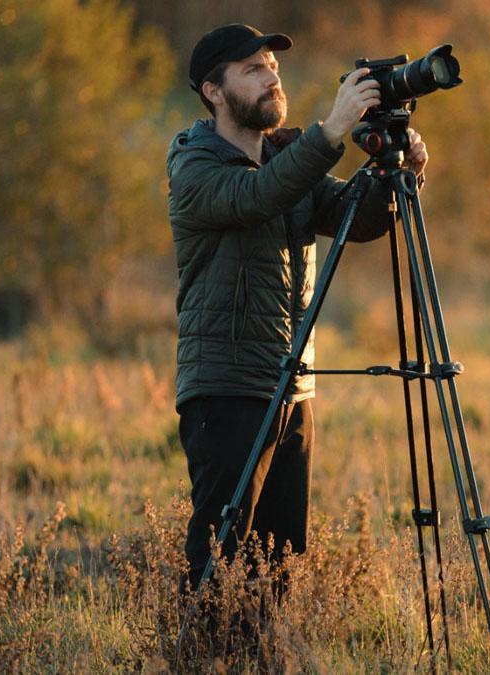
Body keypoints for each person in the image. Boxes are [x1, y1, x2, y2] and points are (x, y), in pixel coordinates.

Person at [166, 24, 429, 594]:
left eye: (273, 67)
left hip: (292, 385)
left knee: (280, 566)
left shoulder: (289, 164)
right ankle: (201, 656)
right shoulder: (195, 169)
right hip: (228, 386)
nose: (271, 78)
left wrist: (397, 172)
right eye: (254, 70)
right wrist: (331, 131)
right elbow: (256, 198)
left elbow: (358, 221)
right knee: (219, 559)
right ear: (213, 91)